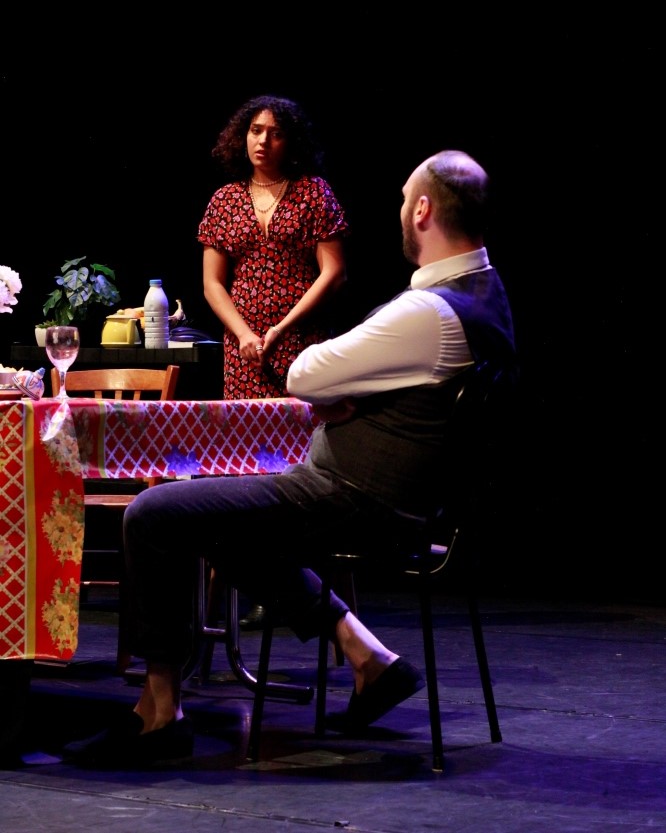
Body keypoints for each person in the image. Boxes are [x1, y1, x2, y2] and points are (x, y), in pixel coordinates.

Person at [63, 149, 517, 768]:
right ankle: (367, 656)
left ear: (421, 210)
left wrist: (338, 391)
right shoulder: (488, 295)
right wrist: (351, 391)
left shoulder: (427, 313)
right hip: (409, 503)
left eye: (400, 202)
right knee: (219, 518)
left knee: (153, 513)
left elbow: (303, 373)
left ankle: (158, 714)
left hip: (356, 499)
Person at [198, 94, 349, 629]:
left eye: (276, 132)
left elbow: (333, 271)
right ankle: (243, 593)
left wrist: (283, 327)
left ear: (292, 141)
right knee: (243, 468)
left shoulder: (313, 193)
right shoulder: (225, 200)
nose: (263, 140)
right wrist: (243, 332)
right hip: (244, 355)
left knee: (297, 468)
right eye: (256, 130)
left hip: (301, 347)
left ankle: (294, 587)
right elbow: (213, 282)